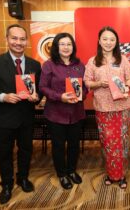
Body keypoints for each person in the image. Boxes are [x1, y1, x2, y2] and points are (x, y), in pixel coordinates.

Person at [0, 24, 41, 204]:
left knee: (26, 150)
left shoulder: (34, 64)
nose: (18, 43)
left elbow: (39, 90)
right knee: (4, 153)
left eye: (22, 39)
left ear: (27, 41)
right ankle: (6, 184)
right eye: (14, 38)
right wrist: (3, 96)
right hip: (4, 117)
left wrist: (37, 96)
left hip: (27, 117)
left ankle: (23, 178)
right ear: (6, 39)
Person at [84, 26, 130, 189]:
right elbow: (87, 82)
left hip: (122, 107)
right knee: (108, 142)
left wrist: (127, 86)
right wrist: (99, 83)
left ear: (116, 42)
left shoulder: (123, 59)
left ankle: (122, 174)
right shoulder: (93, 61)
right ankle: (111, 174)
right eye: (105, 39)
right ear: (99, 41)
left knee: (122, 141)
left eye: (112, 39)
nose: (108, 42)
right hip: (103, 108)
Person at [39, 32, 86, 190]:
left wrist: (81, 95)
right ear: (56, 47)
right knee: (58, 146)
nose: (66, 47)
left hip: (76, 112)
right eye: (62, 44)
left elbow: (85, 87)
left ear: (73, 47)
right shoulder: (49, 64)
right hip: (55, 113)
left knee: (74, 145)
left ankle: (72, 171)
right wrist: (60, 97)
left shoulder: (80, 65)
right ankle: (62, 174)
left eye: (69, 44)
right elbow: (43, 87)